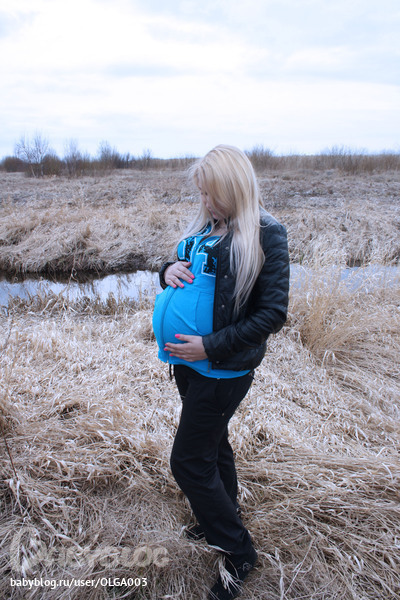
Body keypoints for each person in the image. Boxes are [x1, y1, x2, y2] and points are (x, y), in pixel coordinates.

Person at [152, 144, 290, 599]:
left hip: (222, 369)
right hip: (188, 365)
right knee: (213, 445)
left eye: (211, 194)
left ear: (233, 189)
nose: (205, 202)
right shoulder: (206, 226)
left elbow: (271, 314)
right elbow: (183, 270)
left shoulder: (267, 234)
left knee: (188, 461)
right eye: (201, 193)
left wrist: (208, 346)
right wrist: (166, 271)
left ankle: (238, 552)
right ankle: (220, 514)